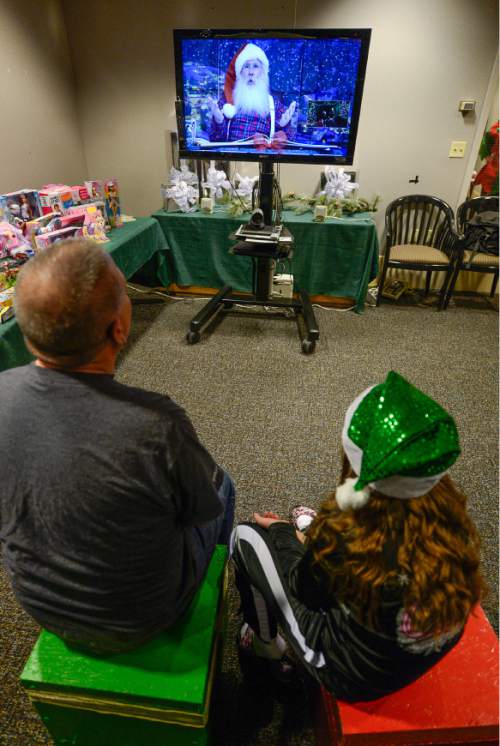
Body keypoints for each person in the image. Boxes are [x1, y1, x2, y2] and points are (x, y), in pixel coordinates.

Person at [0, 239, 235, 655]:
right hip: (144, 617)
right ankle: (209, 594)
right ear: (119, 328)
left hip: (42, 608)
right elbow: (200, 510)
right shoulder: (157, 424)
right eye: (124, 293)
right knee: (222, 486)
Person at [231, 371, 487, 701]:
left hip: (353, 675)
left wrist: (282, 532)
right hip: (424, 650)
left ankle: (266, 645)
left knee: (246, 537)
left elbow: (304, 592)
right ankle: (308, 534)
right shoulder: (451, 513)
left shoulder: (344, 531)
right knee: (335, 558)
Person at [207, 43, 297, 144]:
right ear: (240, 72)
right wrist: (218, 121)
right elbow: (214, 139)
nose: (251, 72)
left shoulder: (273, 104)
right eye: (246, 66)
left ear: (262, 72)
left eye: (255, 66)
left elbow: (290, 140)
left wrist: (283, 126)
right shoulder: (227, 102)